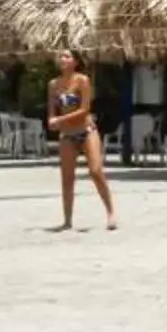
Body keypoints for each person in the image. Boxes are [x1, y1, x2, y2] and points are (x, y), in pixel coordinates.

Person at [44, 48, 118, 231]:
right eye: (61, 56)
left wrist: (59, 120)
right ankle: (67, 220)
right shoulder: (54, 84)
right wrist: (52, 121)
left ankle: (110, 212)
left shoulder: (82, 80)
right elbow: (52, 110)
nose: (63, 58)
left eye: (67, 56)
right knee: (67, 178)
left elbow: (84, 109)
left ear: (75, 61)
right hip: (67, 135)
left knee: (95, 170)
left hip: (86, 130)